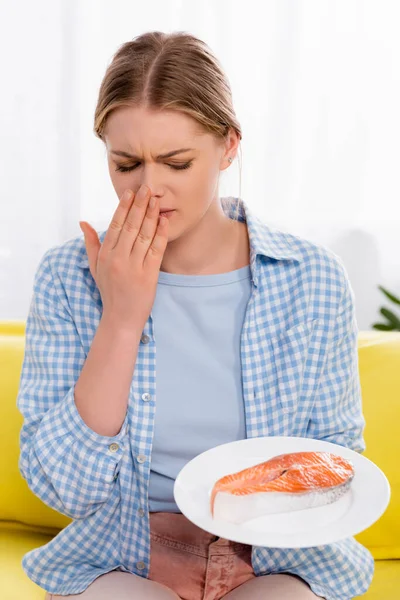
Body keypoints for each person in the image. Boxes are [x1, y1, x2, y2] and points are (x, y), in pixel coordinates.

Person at [16, 30, 374, 600]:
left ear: (228, 146)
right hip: (125, 557)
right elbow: (63, 489)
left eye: (177, 163)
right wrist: (121, 319)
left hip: (277, 557)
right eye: (126, 163)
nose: (149, 188)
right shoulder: (68, 277)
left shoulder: (312, 278)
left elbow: (336, 458)